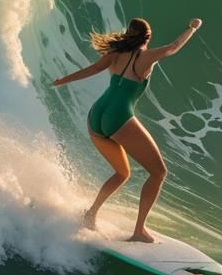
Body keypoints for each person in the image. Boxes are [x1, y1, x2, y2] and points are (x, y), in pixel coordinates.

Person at [53, 16, 202, 242]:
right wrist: (191, 28)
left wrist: (62, 80)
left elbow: (91, 70)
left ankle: (91, 214)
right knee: (159, 172)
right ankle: (139, 231)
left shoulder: (115, 53)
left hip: (96, 114)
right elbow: (173, 47)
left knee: (122, 172)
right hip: (118, 116)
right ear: (147, 38)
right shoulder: (145, 57)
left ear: (128, 33)